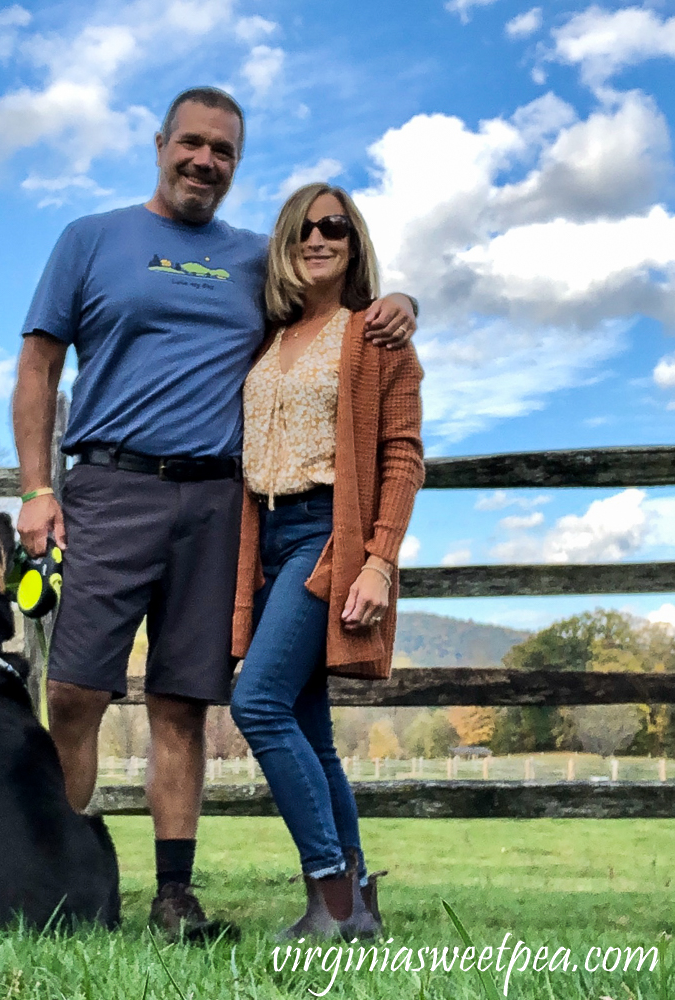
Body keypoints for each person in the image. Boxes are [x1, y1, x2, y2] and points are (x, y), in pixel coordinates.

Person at [12, 87, 418, 940]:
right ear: (160, 143)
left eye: (223, 151)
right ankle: (49, 886)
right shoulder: (91, 239)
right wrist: (36, 490)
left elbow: (335, 330)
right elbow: (39, 370)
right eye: (191, 143)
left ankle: (174, 897)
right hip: (112, 486)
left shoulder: (253, 263)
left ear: (237, 164)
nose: (204, 160)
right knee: (77, 689)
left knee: (183, 702)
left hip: (221, 504)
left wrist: (403, 304)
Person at [229, 182, 425, 940]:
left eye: (335, 226)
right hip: (267, 538)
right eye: (304, 227)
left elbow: (403, 457)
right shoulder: (266, 338)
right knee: (309, 730)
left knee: (258, 703)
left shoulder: (374, 337)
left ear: (355, 241)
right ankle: (361, 903)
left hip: (326, 531)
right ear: (285, 241)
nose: (319, 237)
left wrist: (378, 560)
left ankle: (328, 893)